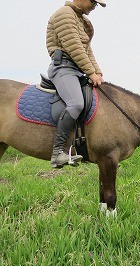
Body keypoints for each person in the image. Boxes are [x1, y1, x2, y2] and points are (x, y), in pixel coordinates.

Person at [46, 0, 106, 168]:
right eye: (93, 3)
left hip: (77, 69)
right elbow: (74, 48)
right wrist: (91, 72)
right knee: (76, 104)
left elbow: (87, 50)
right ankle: (57, 152)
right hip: (64, 68)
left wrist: (97, 72)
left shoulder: (80, 19)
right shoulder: (65, 14)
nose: (94, 7)